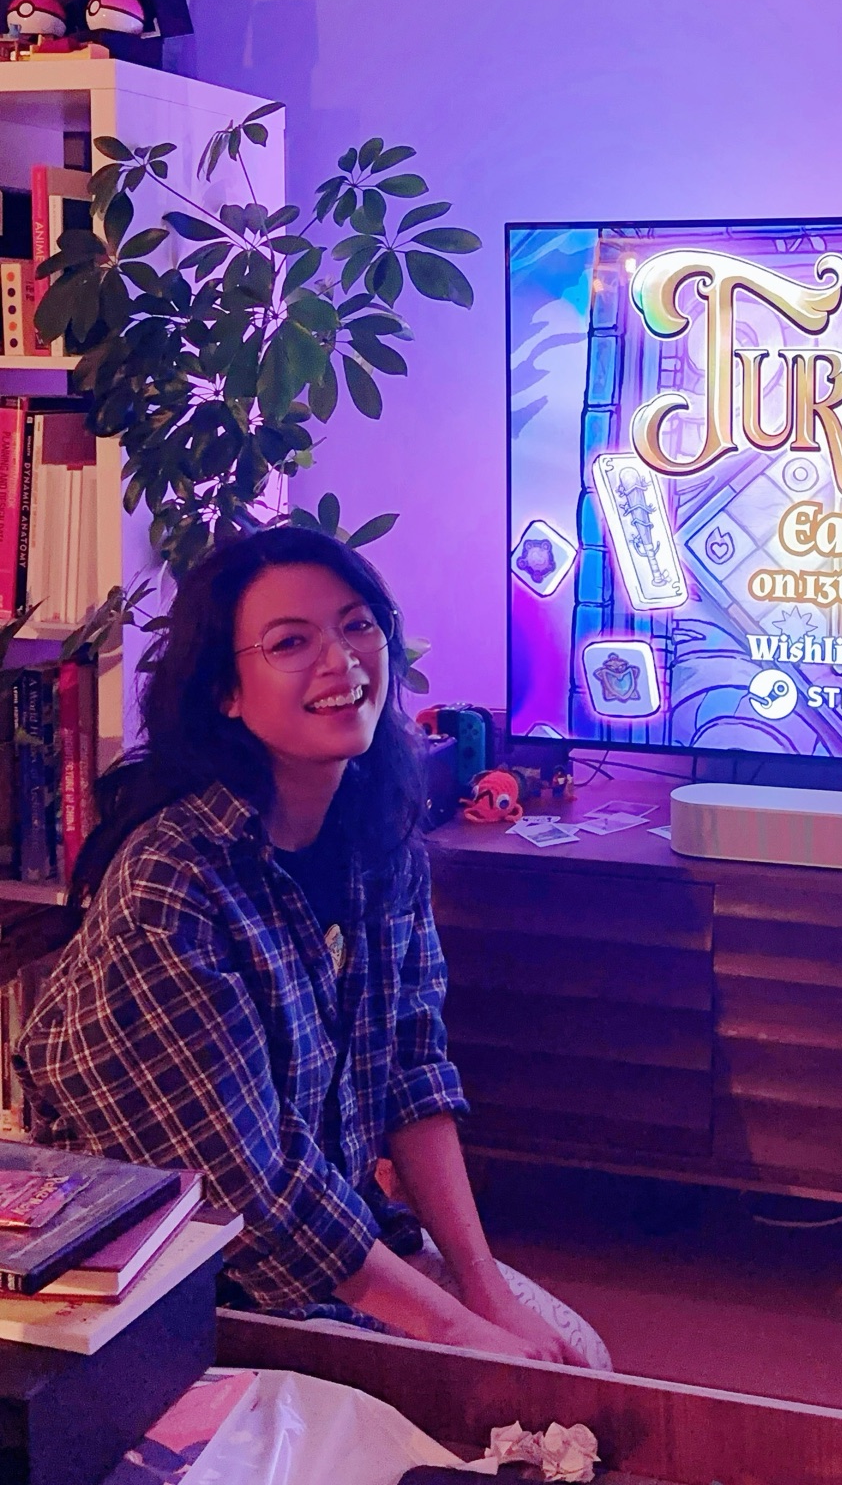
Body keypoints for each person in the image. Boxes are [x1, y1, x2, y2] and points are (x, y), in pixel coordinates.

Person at [17, 527, 608, 1368]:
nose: (341, 661)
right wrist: (460, 1337)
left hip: (338, 1236)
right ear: (226, 691)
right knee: (521, 1408)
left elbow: (412, 1070)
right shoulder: (174, 882)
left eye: (357, 625)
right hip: (174, 1293)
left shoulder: (380, 834)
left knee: (579, 1357)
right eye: (291, 642)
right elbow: (245, 1188)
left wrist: (487, 1293)